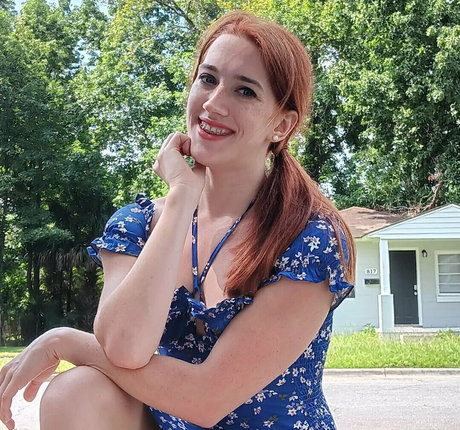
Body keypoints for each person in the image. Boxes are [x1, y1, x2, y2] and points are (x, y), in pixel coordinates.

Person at [0, 10, 355, 430]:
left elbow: (207, 398)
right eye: (208, 79)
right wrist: (181, 198)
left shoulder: (309, 239)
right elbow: (124, 348)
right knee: (74, 394)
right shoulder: (137, 225)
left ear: (281, 124)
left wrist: (63, 341)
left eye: (244, 91)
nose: (214, 103)